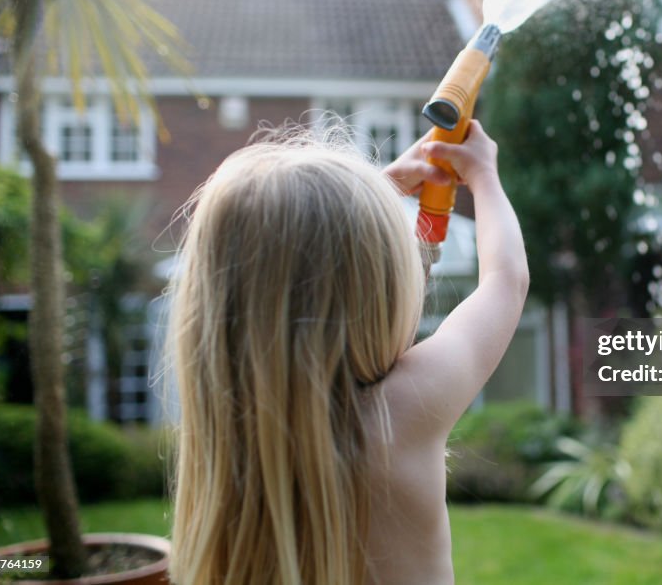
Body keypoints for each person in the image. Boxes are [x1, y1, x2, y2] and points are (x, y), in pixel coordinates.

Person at [167, 119, 529, 584]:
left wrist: (375, 194)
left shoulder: (232, 434)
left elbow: (293, 260)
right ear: (372, 289)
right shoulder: (400, 414)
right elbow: (506, 279)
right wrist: (484, 176)